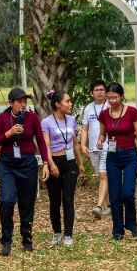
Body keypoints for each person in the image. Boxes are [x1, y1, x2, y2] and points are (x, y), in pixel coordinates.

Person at [0, 88, 50, 255]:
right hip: (7, 164)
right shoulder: (3, 118)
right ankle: (6, 240)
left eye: (25, 101)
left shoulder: (32, 118)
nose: (23, 104)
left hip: (27, 163)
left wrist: (45, 163)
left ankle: (27, 238)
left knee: (27, 202)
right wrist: (9, 133)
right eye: (19, 101)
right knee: (7, 201)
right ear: (11, 103)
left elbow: (41, 141)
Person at [97, 82, 137, 240]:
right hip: (112, 156)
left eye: (114, 97)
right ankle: (117, 230)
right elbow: (103, 134)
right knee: (114, 195)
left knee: (127, 193)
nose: (111, 100)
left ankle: (132, 225)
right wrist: (100, 140)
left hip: (130, 155)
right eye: (109, 97)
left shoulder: (132, 112)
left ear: (121, 96)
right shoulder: (104, 114)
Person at [41, 90, 85, 247]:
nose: (70, 104)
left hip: (70, 162)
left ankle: (68, 235)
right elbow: (45, 146)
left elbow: (75, 144)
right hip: (54, 161)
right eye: (67, 101)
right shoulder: (46, 122)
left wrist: (80, 163)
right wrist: (51, 164)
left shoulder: (72, 120)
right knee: (55, 201)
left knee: (68, 199)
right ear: (57, 104)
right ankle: (57, 233)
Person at [79, 80, 111, 219]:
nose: (99, 92)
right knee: (102, 176)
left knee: (103, 175)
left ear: (106, 92)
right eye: (96, 90)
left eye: (101, 90)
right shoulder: (88, 108)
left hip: (107, 145)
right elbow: (85, 129)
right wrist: (82, 145)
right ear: (92, 93)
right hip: (93, 147)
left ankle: (98, 206)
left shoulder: (110, 105)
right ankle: (110, 205)